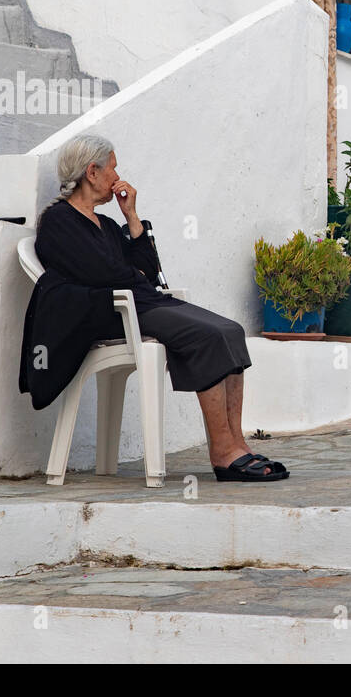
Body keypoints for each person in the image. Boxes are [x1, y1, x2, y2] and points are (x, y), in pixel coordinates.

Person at [22, 134, 286, 483]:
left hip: (144, 302)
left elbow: (150, 269)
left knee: (230, 331)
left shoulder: (108, 225)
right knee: (205, 336)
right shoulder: (59, 222)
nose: (118, 177)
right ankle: (222, 455)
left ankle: (237, 445)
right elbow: (105, 274)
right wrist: (137, 275)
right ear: (92, 172)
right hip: (113, 315)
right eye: (113, 168)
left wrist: (131, 215)